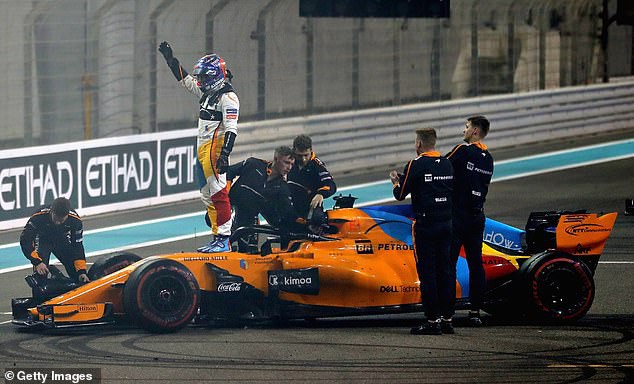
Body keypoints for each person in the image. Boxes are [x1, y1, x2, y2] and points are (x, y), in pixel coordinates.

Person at [158, 41, 238, 253]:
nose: (200, 80)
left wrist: (224, 155)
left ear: (215, 76)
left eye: (204, 76)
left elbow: (231, 129)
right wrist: (170, 60)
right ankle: (216, 235)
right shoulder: (207, 93)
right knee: (207, 194)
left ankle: (224, 238)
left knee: (219, 193)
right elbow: (185, 80)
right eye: (200, 76)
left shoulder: (228, 98)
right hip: (201, 150)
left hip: (215, 150)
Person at [390, 128, 454, 335]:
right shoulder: (447, 162)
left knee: (428, 273)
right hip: (447, 223)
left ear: (418, 144)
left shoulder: (415, 164)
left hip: (426, 225)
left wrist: (395, 182)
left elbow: (401, 194)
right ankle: (447, 319)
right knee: (445, 271)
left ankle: (432, 320)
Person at [445, 115, 494, 326]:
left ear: (474, 131)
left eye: (466, 127)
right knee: (476, 264)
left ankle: (446, 313)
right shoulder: (488, 158)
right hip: (477, 216)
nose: (462, 131)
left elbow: (440, 167)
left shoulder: (461, 151)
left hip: (458, 216)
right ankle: (475, 312)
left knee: (449, 264)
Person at [227, 146, 307, 250]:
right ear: (276, 159)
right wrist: (225, 197)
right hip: (229, 207)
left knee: (249, 250)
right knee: (211, 220)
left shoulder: (282, 188)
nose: (289, 167)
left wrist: (302, 222)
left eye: (292, 164)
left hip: (249, 219)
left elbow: (287, 212)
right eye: (287, 163)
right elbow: (229, 172)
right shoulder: (253, 164)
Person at [20, 197, 90, 283]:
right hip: (43, 240)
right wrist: (37, 262)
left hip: (61, 240)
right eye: (56, 219)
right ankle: (40, 295)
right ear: (51, 212)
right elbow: (25, 240)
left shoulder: (75, 221)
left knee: (76, 272)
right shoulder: (38, 217)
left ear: (67, 216)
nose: (57, 223)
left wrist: (82, 271)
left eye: (61, 221)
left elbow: (77, 246)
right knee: (41, 272)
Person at [288, 134, 337, 222]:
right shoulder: (287, 160)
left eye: (306, 155)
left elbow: (330, 184)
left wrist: (321, 194)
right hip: (290, 201)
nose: (303, 159)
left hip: (309, 204)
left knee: (317, 219)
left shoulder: (317, 165)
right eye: (299, 155)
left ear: (311, 150)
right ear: (294, 151)